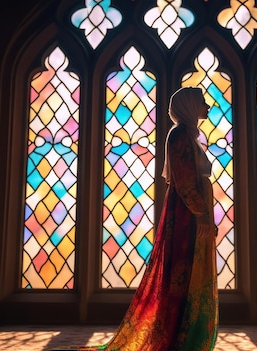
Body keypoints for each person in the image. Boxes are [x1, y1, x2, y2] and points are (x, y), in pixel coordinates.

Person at [71, 86, 218, 351]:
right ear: (188, 106)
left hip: (191, 210)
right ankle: (178, 335)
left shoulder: (187, 135)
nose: (208, 106)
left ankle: (184, 334)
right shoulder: (180, 135)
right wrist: (202, 213)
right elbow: (184, 180)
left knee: (189, 272)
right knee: (182, 271)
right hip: (187, 214)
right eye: (202, 102)